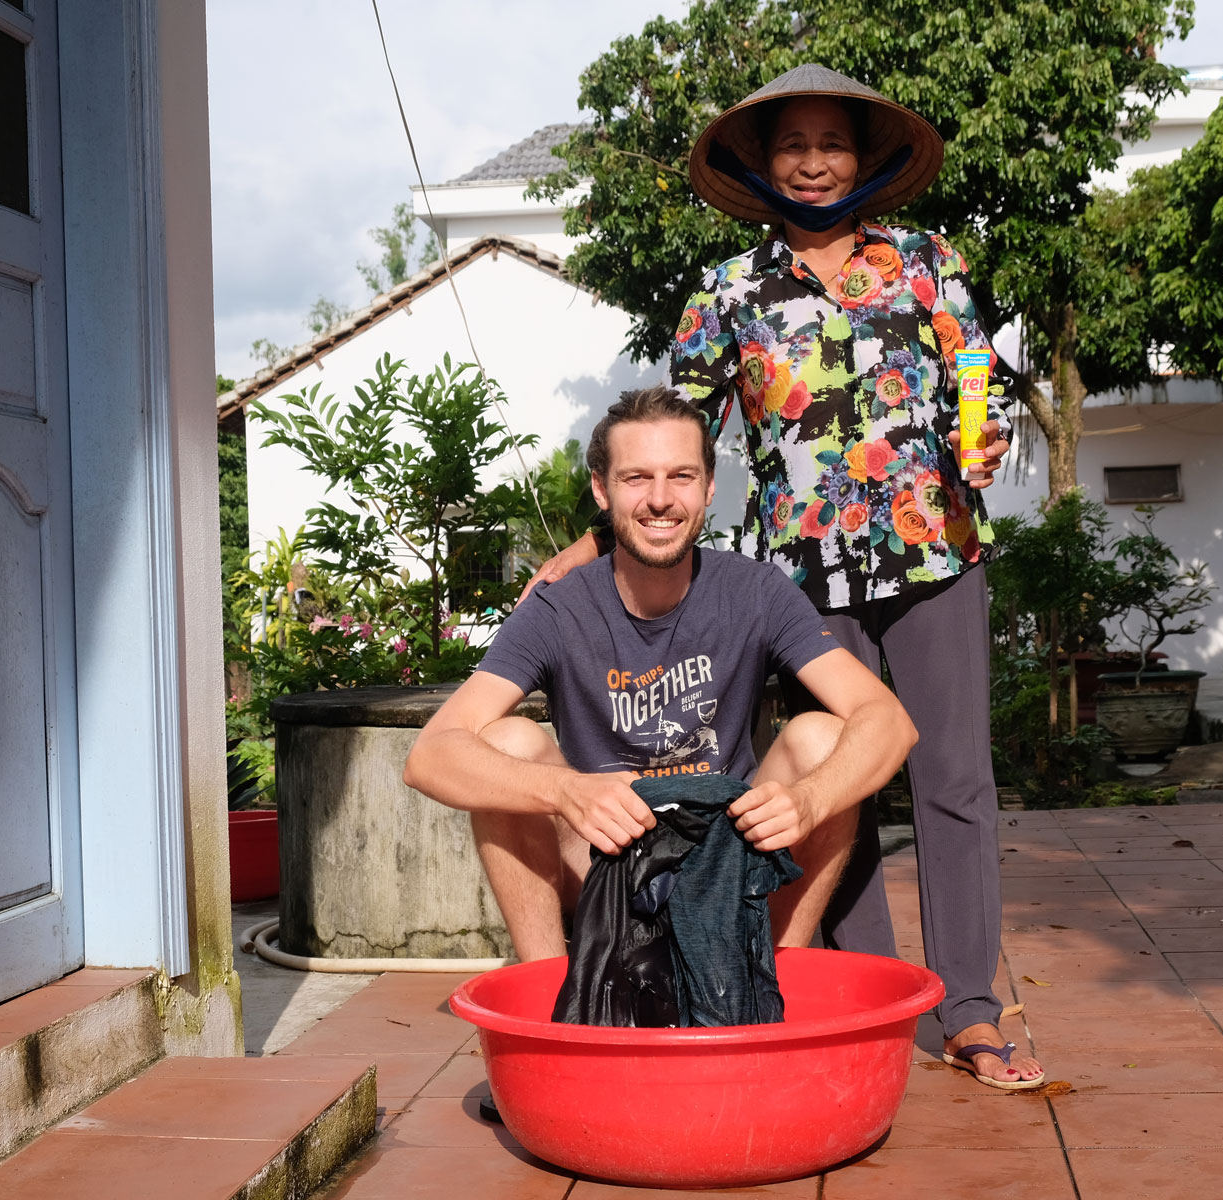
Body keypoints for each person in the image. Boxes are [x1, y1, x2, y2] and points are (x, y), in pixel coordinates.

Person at [522, 65, 1044, 1090]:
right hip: (801, 579)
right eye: (791, 145)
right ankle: (877, 993)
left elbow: (974, 371)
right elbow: (674, 437)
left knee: (954, 782)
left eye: (832, 142)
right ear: (762, 166)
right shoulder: (728, 291)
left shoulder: (926, 262)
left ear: (866, 156)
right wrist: (589, 550)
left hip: (936, 553)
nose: (813, 161)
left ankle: (973, 1012)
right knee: (831, 775)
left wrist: (980, 438)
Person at [403, 386, 917, 966]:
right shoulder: (557, 609)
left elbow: (889, 721)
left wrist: (808, 800)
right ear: (602, 489)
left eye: (681, 476)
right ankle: (551, 992)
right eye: (636, 478)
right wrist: (567, 789)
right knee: (504, 742)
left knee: (822, 738)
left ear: (707, 487)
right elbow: (432, 756)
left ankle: (774, 977)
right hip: (603, 860)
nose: (660, 499)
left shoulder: (756, 592)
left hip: (730, 861)